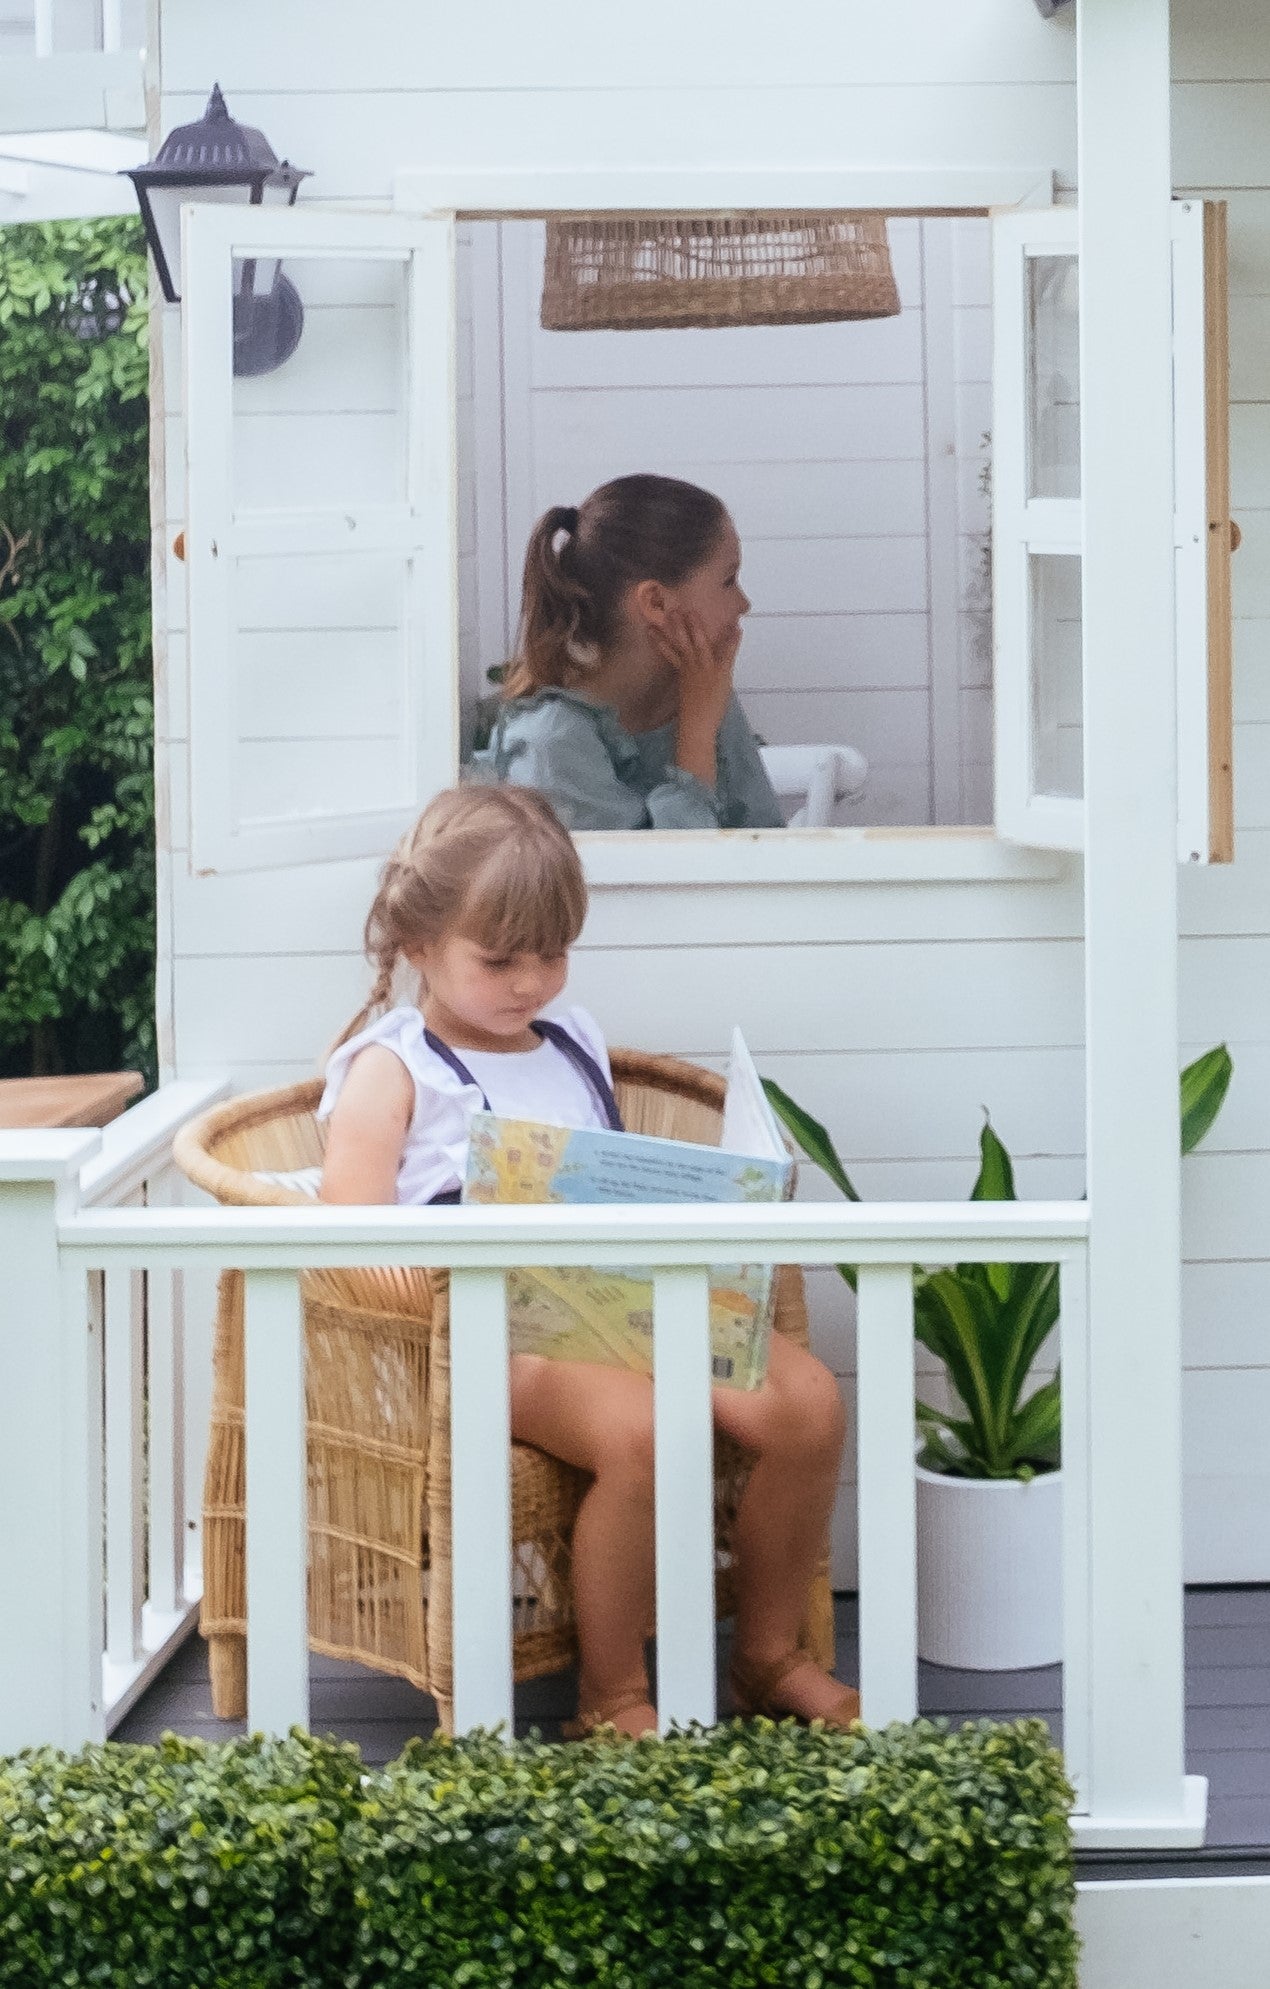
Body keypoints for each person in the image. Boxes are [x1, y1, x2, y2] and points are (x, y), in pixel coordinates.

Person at [319, 784, 855, 1738]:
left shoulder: (575, 1040)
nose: (531, 981)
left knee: (808, 1405)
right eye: (499, 959)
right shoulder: (392, 1069)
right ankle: (612, 1694)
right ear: (417, 946)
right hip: (499, 1342)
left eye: (552, 953)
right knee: (648, 1432)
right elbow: (351, 1237)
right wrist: (423, 1278)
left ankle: (769, 1654)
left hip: (632, 1311)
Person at [473, 474, 785, 831]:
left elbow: (765, 837)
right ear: (655, 601)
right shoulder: (550, 744)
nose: (743, 604)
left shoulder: (701, 692)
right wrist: (696, 734)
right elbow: (662, 880)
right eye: (728, 580)